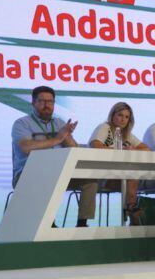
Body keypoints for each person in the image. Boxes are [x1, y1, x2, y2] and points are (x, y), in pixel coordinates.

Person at [11, 86, 98, 227]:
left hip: (59, 173)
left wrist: (67, 136)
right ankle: (48, 224)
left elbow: (74, 151)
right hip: (28, 174)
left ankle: (82, 224)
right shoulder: (22, 123)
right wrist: (57, 139)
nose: (47, 105)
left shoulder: (59, 123)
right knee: (43, 176)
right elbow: (25, 147)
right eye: (42, 101)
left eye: (50, 102)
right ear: (33, 102)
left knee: (90, 181)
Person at [89, 102, 150, 225]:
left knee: (133, 175)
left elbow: (146, 149)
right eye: (120, 115)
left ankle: (131, 210)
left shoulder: (126, 134)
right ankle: (133, 213)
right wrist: (118, 150)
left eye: (127, 117)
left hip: (120, 175)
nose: (123, 119)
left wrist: (132, 149)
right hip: (101, 175)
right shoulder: (104, 127)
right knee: (132, 176)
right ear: (113, 115)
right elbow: (95, 145)